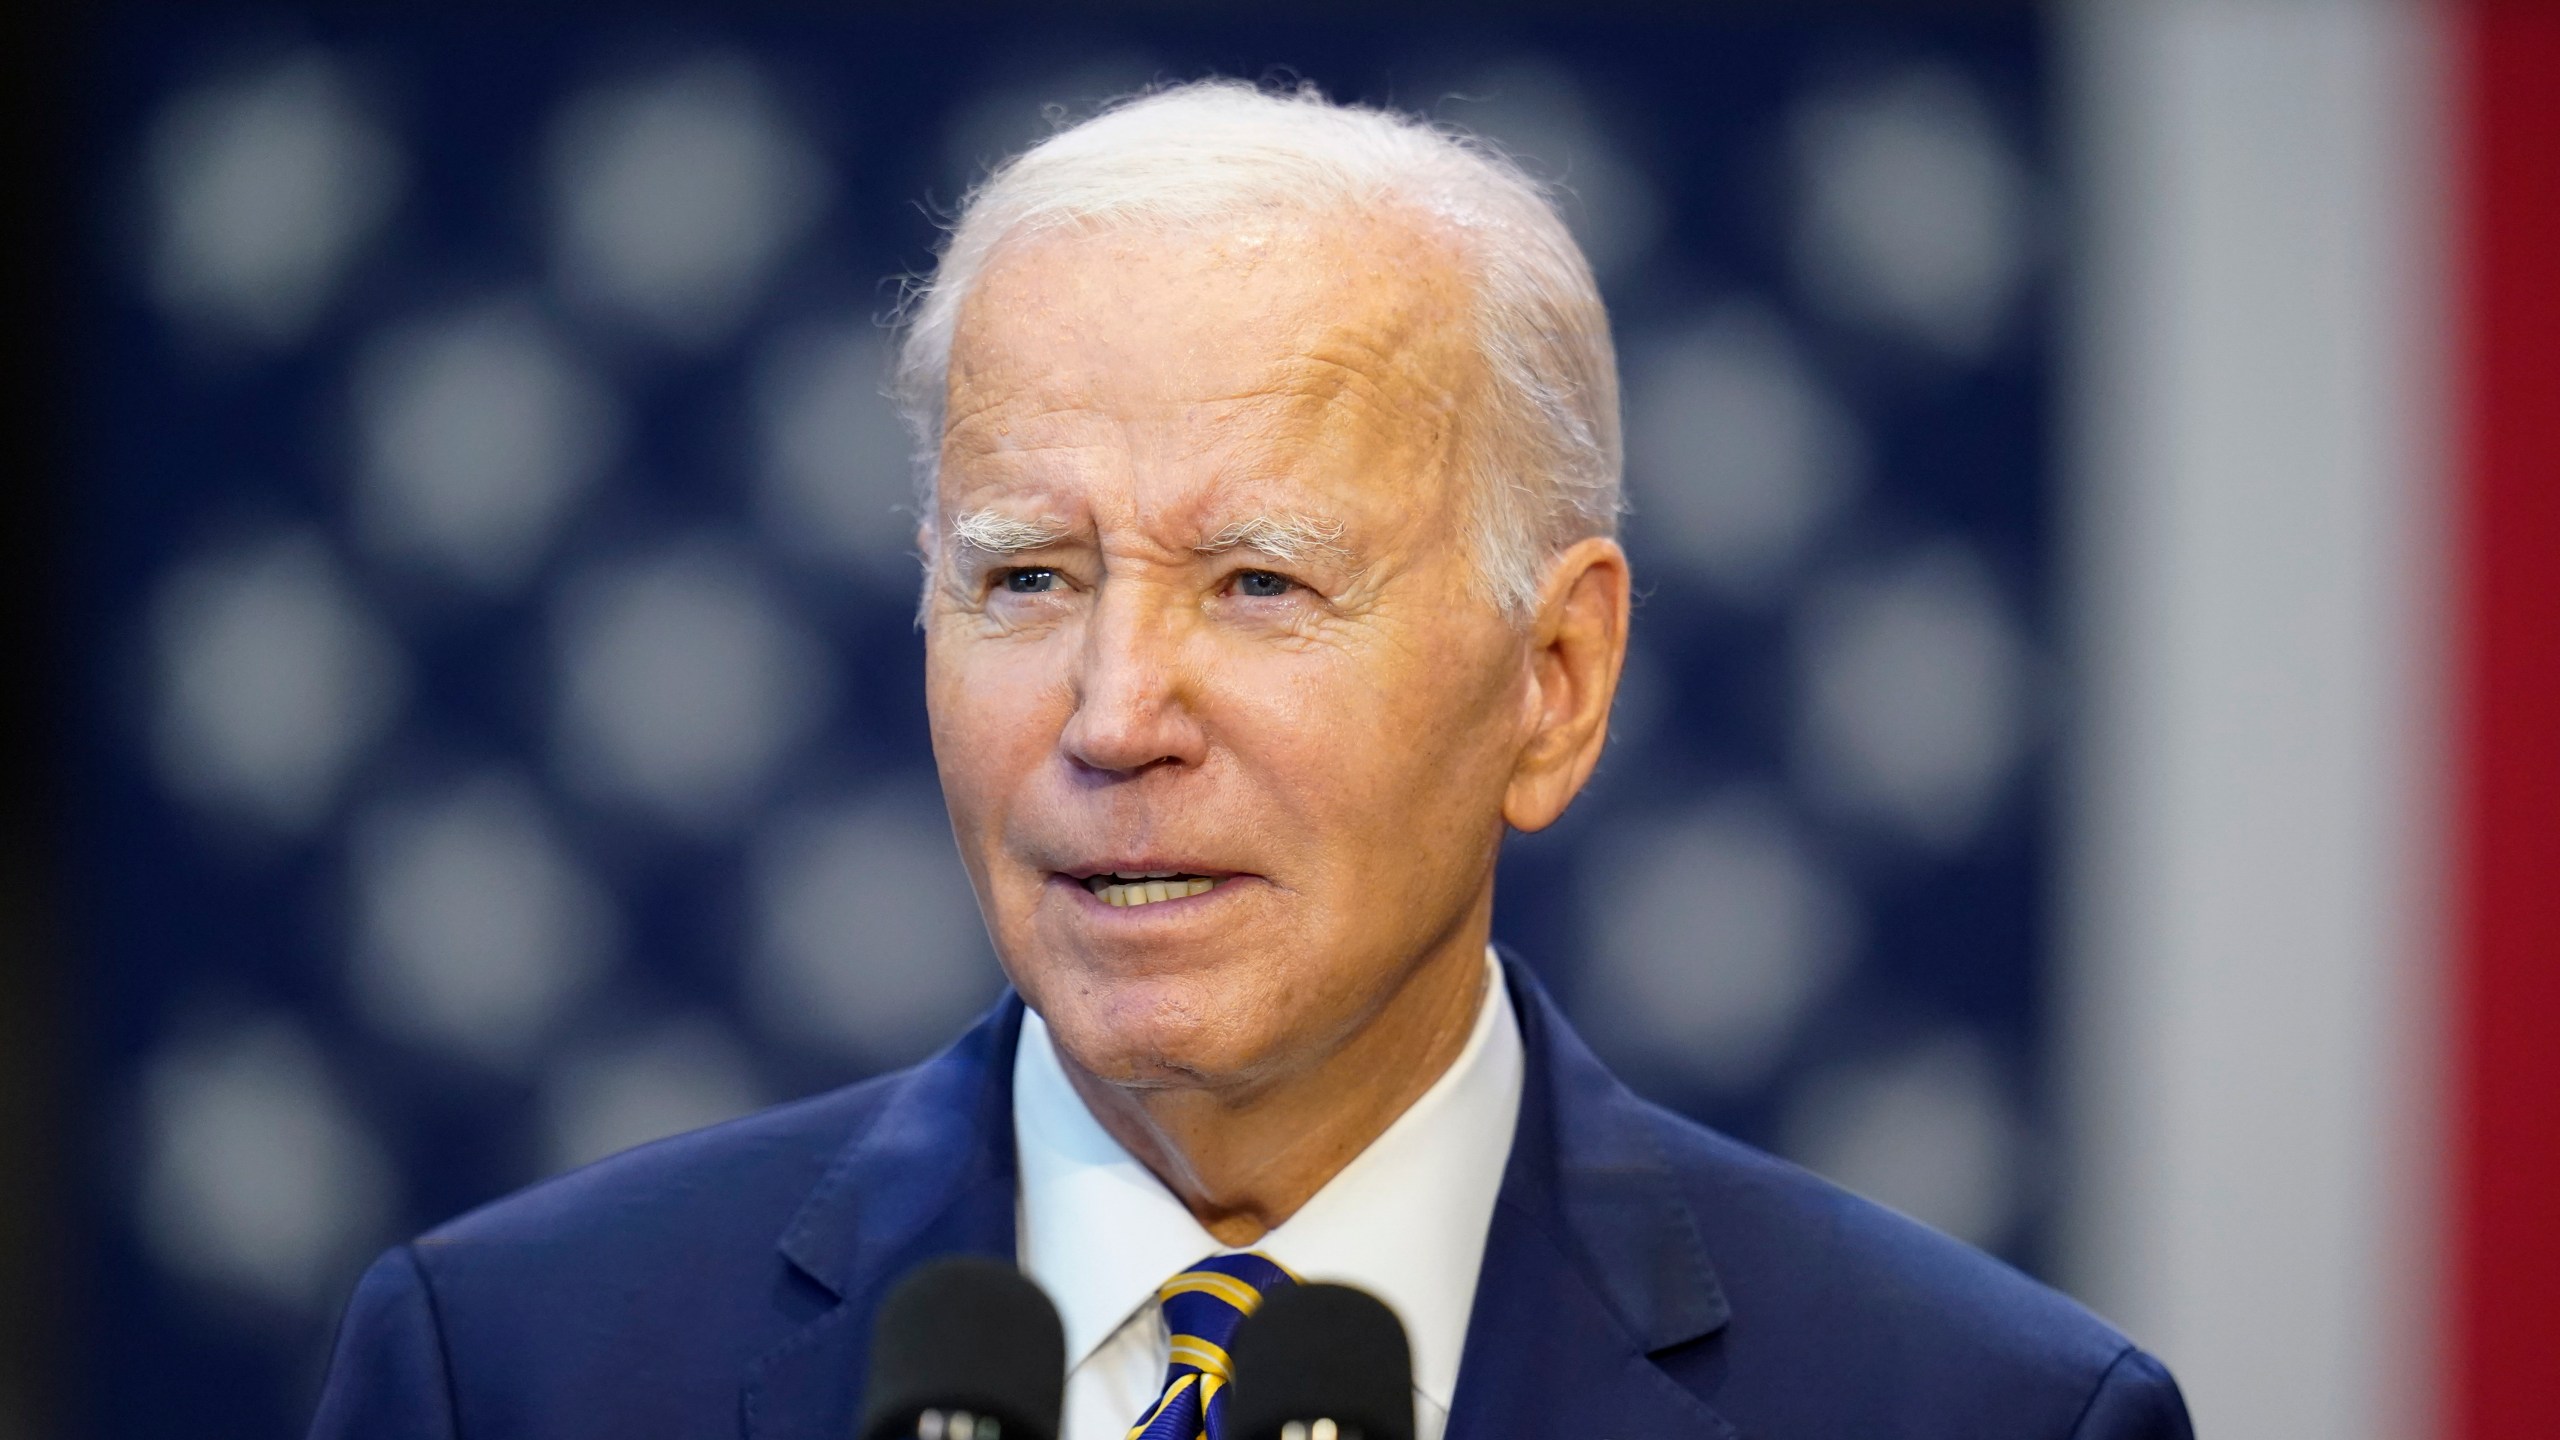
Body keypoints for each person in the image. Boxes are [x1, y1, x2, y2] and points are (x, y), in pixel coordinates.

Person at [309, 81, 2191, 1440]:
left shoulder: (1977, 1413)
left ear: (1555, 679)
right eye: (1028, 577)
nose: (1116, 712)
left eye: (1264, 581)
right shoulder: (510, 1369)